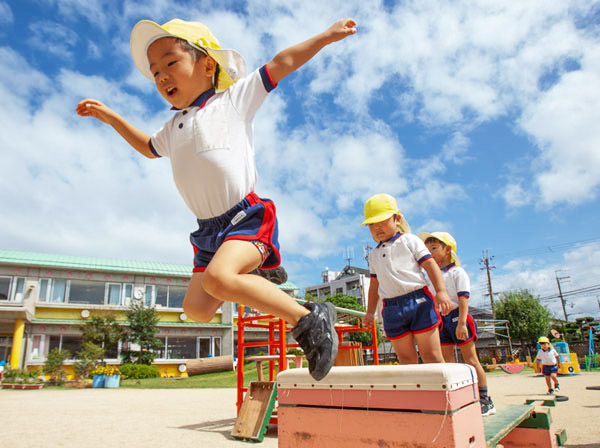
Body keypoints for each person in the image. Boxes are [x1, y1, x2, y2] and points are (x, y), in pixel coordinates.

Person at [76, 17, 357, 381]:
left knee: (219, 279)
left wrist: (325, 36)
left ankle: (310, 319)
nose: (161, 76)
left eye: (171, 63)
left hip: (245, 216)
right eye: (155, 71)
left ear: (208, 64)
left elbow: (281, 63)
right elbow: (147, 147)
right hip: (208, 232)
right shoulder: (172, 127)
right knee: (197, 309)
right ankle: (262, 276)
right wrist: (111, 118)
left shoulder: (233, 100)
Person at [361, 194, 452, 365]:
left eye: (383, 221)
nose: (377, 228)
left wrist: (441, 292)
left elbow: (431, 265)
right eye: (372, 224)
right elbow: (374, 287)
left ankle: (439, 391)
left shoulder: (409, 240)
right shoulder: (373, 255)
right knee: (406, 360)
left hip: (418, 300)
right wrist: (370, 312)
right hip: (391, 307)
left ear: (397, 219)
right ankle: (417, 392)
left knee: (432, 356)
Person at [419, 231, 496, 416]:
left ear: (448, 250)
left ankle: (486, 399)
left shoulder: (457, 272)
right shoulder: (431, 276)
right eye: (427, 249)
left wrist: (462, 322)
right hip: (441, 320)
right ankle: (456, 398)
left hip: (458, 317)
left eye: (434, 248)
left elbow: (463, 298)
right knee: (448, 361)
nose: (430, 252)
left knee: (471, 359)